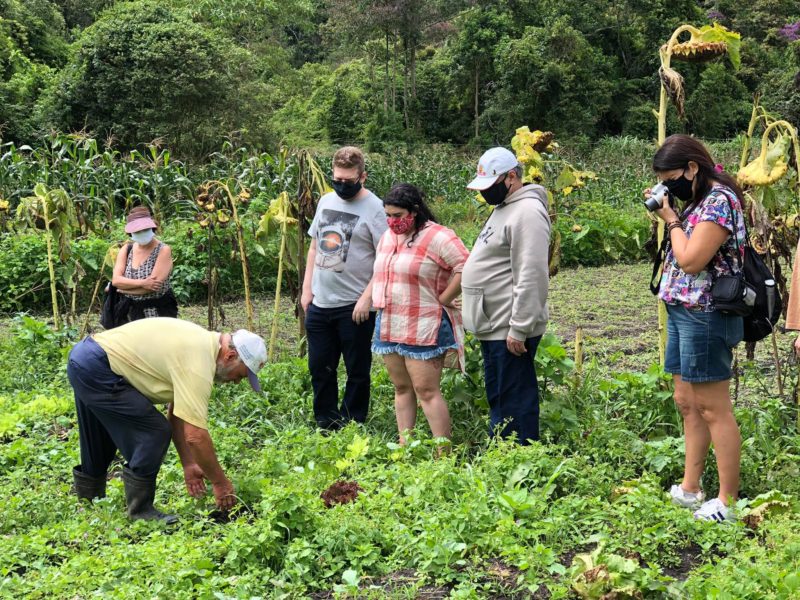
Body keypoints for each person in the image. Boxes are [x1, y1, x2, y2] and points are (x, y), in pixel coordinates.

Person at [68, 317, 267, 523]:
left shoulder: (199, 344)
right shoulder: (198, 362)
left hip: (85, 358)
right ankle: (140, 512)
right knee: (154, 432)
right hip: (99, 366)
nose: (235, 382)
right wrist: (220, 483)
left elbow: (179, 413)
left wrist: (189, 464)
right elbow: (196, 437)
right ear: (230, 356)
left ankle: (90, 504)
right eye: (240, 376)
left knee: (99, 433)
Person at [649, 134, 747, 522]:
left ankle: (728, 501)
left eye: (671, 178)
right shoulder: (698, 202)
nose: (669, 187)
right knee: (687, 401)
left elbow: (691, 260)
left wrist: (670, 218)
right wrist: (674, 214)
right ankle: (691, 489)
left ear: (693, 168)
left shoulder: (719, 201)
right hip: (683, 310)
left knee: (712, 406)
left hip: (706, 314)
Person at [461, 147, 550, 445]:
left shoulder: (528, 212)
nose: (486, 193)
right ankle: (503, 455)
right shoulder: (506, 207)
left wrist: (520, 327)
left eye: (490, 186)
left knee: (514, 402)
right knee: (501, 397)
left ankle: (519, 460)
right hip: (494, 324)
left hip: (509, 328)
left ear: (511, 177)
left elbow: (532, 273)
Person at [370, 183, 469, 449]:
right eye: (388, 215)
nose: (392, 221)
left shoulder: (437, 236)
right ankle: (405, 447)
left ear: (414, 211)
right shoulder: (388, 237)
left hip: (424, 324)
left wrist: (445, 298)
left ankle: (443, 455)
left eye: (398, 216)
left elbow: (465, 265)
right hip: (390, 321)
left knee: (426, 391)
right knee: (401, 389)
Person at [301, 146, 387, 431]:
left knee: (357, 370)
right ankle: (326, 421)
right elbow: (315, 246)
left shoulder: (376, 209)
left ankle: (353, 421)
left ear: (363, 176)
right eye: (337, 179)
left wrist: (367, 298)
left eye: (348, 181)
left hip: (354, 304)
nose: (341, 185)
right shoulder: (326, 201)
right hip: (320, 302)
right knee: (320, 368)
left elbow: (385, 258)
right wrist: (306, 290)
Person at [109, 205, 178, 325]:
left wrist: (122, 289)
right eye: (137, 231)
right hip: (132, 312)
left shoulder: (163, 250)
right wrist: (143, 283)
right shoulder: (127, 249)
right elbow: (116, 280)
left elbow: (153, 287)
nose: (141, 233)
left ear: (152, 228)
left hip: (159, 312)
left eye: (145, 229)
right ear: (131, 233)